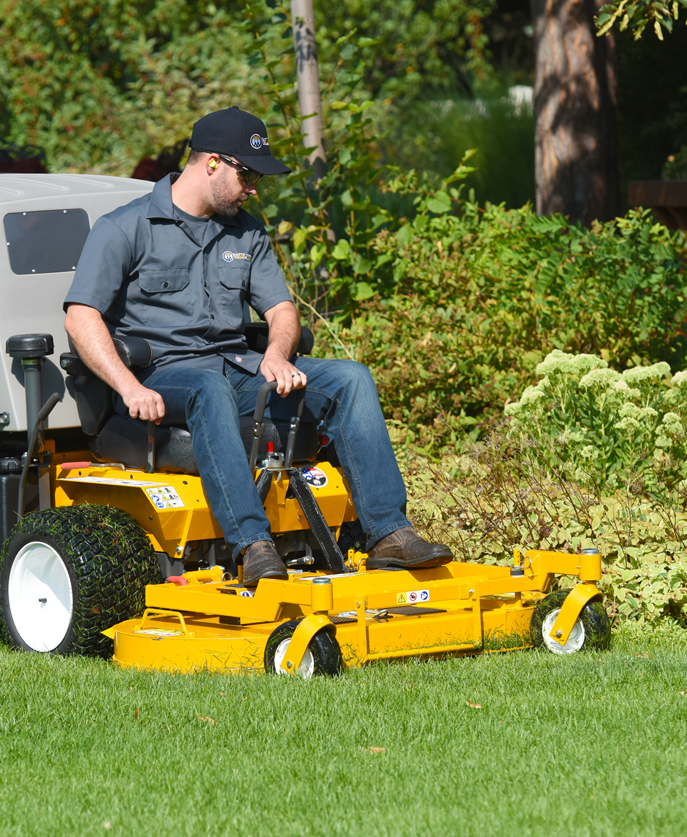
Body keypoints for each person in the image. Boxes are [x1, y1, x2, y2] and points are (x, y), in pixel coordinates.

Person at [63, 106, 452, 586]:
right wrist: (128, 387)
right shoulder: (125, 227)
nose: (253, 189)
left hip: (238, 370)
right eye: (247, 175)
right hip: (164, 378)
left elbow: (282, 311)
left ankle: (389, 533)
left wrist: (276, 354)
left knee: (351, 379)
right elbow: (80, 317)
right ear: (212, 163)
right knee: (208, 388)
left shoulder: (247, 232)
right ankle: (253, 544)